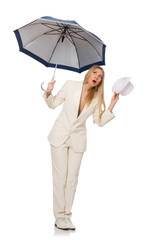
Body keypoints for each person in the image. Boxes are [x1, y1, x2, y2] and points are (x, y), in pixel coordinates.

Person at [43, 65, 119, 231]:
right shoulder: (70, 85)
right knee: (60, 177)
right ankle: (59, 217)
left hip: (78, 140)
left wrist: (111, 105)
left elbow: (98, 121)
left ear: (100, 82)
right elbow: (53, 103)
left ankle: (67, 216)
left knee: (72, 180)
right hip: (59, 137)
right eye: (95, 73)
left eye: (100, 76)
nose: (97, 77)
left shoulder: (97, 97)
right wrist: (48, 91)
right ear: (89, 73)